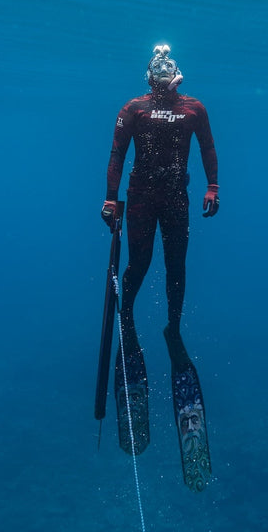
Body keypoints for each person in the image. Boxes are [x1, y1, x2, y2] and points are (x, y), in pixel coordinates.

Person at [100, 43, 218, 490]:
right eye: (159, 70)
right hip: (145, 197)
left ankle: (172, 327)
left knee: (176, 266)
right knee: (142, 261)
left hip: (176, 197)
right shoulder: (133, 109)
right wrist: (111, 199)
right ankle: (127, 315)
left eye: (167, 70)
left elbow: (207, 147)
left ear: (175, 76)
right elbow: (116, 155)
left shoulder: (194, 109)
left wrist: (214, 186)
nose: (164, 76)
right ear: (152, 76)